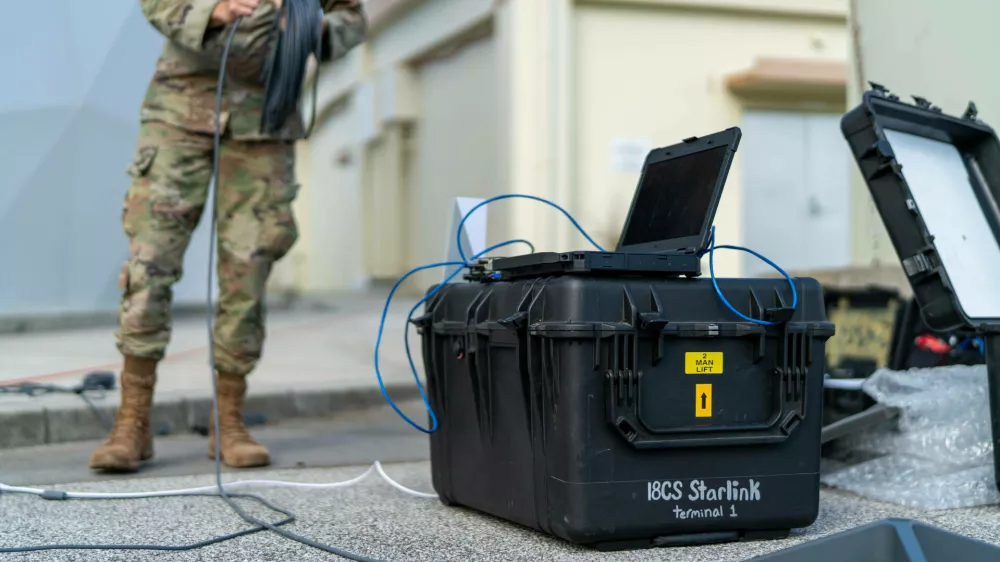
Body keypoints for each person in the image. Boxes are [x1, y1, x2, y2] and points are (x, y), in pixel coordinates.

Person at [89, 0, 366, 472]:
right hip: (179, 113)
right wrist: (210, 10)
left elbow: (351, 18)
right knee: (150, 264)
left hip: (266, 116)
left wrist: (309, 27)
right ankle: (131, 422)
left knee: (248, 271)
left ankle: (229, 422)